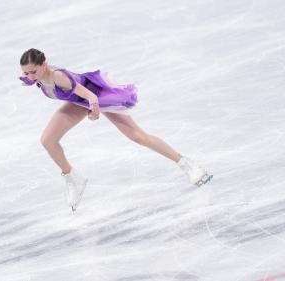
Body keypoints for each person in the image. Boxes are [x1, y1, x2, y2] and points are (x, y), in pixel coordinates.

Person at [18, 48, 212, 212]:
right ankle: (72, 177)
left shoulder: (59, 77)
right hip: (78, 103)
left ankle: (187, 164)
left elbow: (90, 96)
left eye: (33, 71)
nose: (30, 76)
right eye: (26, 73)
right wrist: (31, 79)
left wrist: (94, 111)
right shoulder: (38, 78)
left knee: (137, 136)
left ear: (45, 64)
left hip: (98, 96)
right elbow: (70, 95)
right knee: (48, 140)